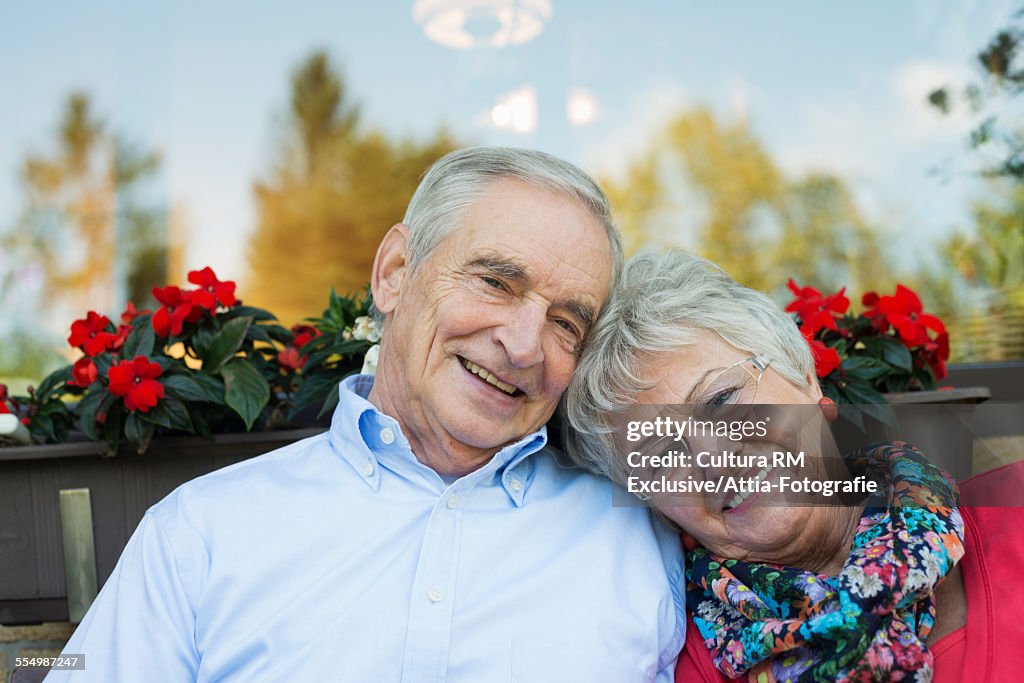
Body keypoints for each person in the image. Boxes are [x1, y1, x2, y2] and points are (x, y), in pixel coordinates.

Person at [46, 148, 684, 682]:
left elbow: (782, 488)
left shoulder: (645, 521)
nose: (522, 345)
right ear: (396, 273)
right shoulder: (200, 533)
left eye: (565, 322)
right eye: (496, 282)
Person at [563, 248, 1024, 682]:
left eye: (722, 399)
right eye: (663, 455)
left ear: (805, 377)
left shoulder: (1014, 512)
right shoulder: (681, 661)